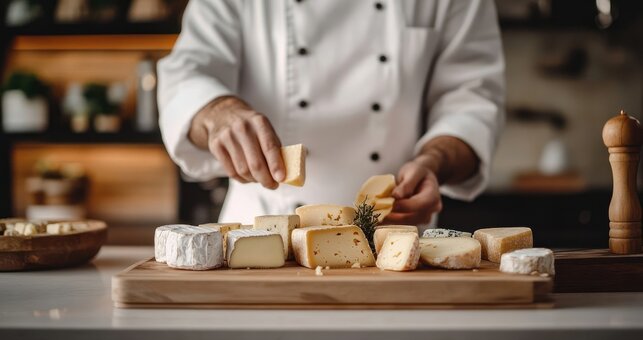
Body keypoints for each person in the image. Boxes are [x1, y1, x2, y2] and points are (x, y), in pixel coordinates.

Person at [158, 0, 505, 226]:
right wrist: (220, 113)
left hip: (394, 237)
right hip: (263, 231)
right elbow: (186, 73)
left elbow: (470, 99)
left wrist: (435, 161)